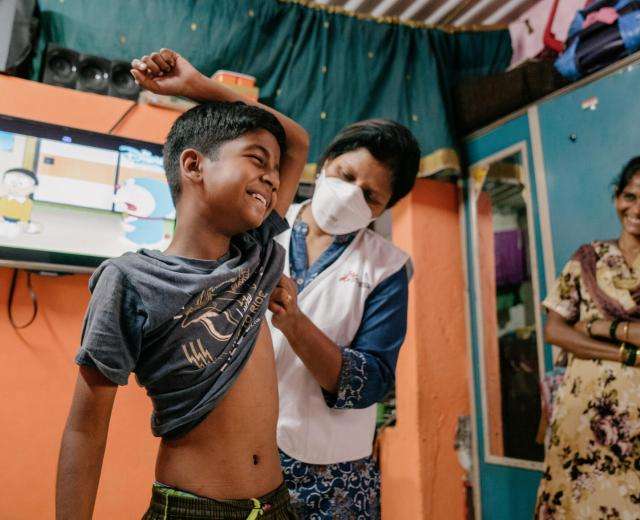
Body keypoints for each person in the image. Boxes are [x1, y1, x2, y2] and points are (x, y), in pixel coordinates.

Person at [55, 49, 309, 520]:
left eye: (275, 169)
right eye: (257, 160)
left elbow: (295, 140)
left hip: (277, 506)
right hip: (192, 510)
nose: (273, 178)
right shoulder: (130, 280)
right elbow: (84, 431)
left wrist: (198, 86)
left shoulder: (256, 253)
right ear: (193, 166)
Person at [267, 119, 420, 518]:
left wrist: (296, 325)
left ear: (385, 208)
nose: (351, 196)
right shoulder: (267, 233)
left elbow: (372, 380)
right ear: (324, 164)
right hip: (246, 453)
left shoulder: (387, 268)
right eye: (346, 176)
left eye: (370, 196)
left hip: (332, 475)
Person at [535, 156, 640, 519]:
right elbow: (554, 331)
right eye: (630, 196)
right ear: (616, 198)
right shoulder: (587, 258)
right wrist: (627, 353)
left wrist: (599, 328)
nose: (638, 209)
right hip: (585, 414)